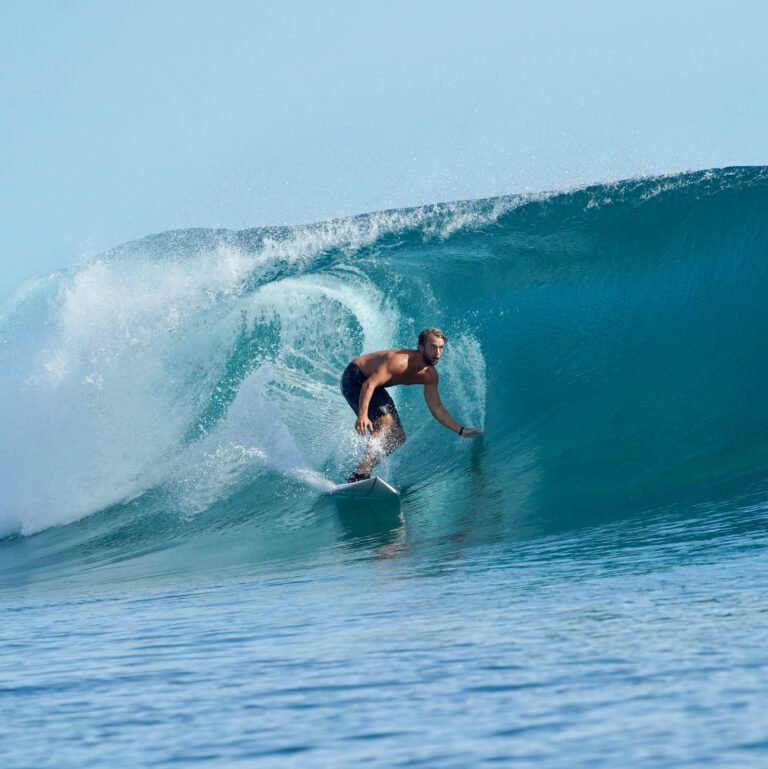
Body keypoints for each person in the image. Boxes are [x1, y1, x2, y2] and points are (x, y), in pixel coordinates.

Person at [340, 327, 482, 482]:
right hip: (355, 377)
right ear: (421, 347)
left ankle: (362, 468)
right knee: (386, 422)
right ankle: (361, 473)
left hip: (374, 386)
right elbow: (369, 384)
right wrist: (362, 415)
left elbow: (437, 408)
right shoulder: (400, 362)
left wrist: (461, 431)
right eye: (433, 347)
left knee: (398, 437)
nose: (438, 353)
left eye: (441, 348)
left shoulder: (430, 376)